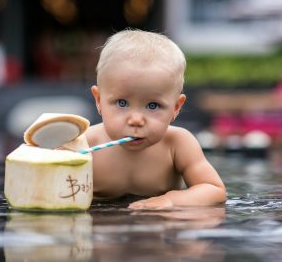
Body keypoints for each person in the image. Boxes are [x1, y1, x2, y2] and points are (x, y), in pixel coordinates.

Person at [85, 29, 226, 209]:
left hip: (158, 229)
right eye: (121, 103)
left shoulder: (177, 143)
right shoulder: (86, 143)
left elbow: (214, 189)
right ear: (99, 100)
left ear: (176, 108)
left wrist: (171, 200)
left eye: (153, 106)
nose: (136, 119)